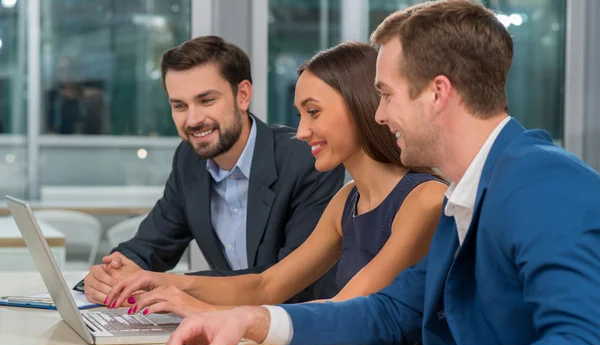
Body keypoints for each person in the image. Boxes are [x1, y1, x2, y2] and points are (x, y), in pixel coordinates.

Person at [163, 1, 600, 345]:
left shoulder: (546, 181)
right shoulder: (465, 195)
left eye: (386, 94)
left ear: (437, 93)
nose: (378, 114)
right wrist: (251, 320)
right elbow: (390, 312)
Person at [103, 42, 447, 317]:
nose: (300, 131)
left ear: (361, 105)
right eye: (300, 115)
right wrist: (154, 282)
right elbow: (267, 286)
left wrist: (212, 313)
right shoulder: (346, 201)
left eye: (313, 112)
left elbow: (347, 311)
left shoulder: (426, 200)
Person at [83, 35, 346, 306]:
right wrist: (110, 273)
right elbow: (151, 244)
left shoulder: (307, 159)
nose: (193, 120)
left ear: (242, 95)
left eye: (206, 100)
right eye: (180, 106)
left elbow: (288, 284)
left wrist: (170, 286)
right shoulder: (189, 160)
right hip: (230, 330)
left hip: (303, 332)